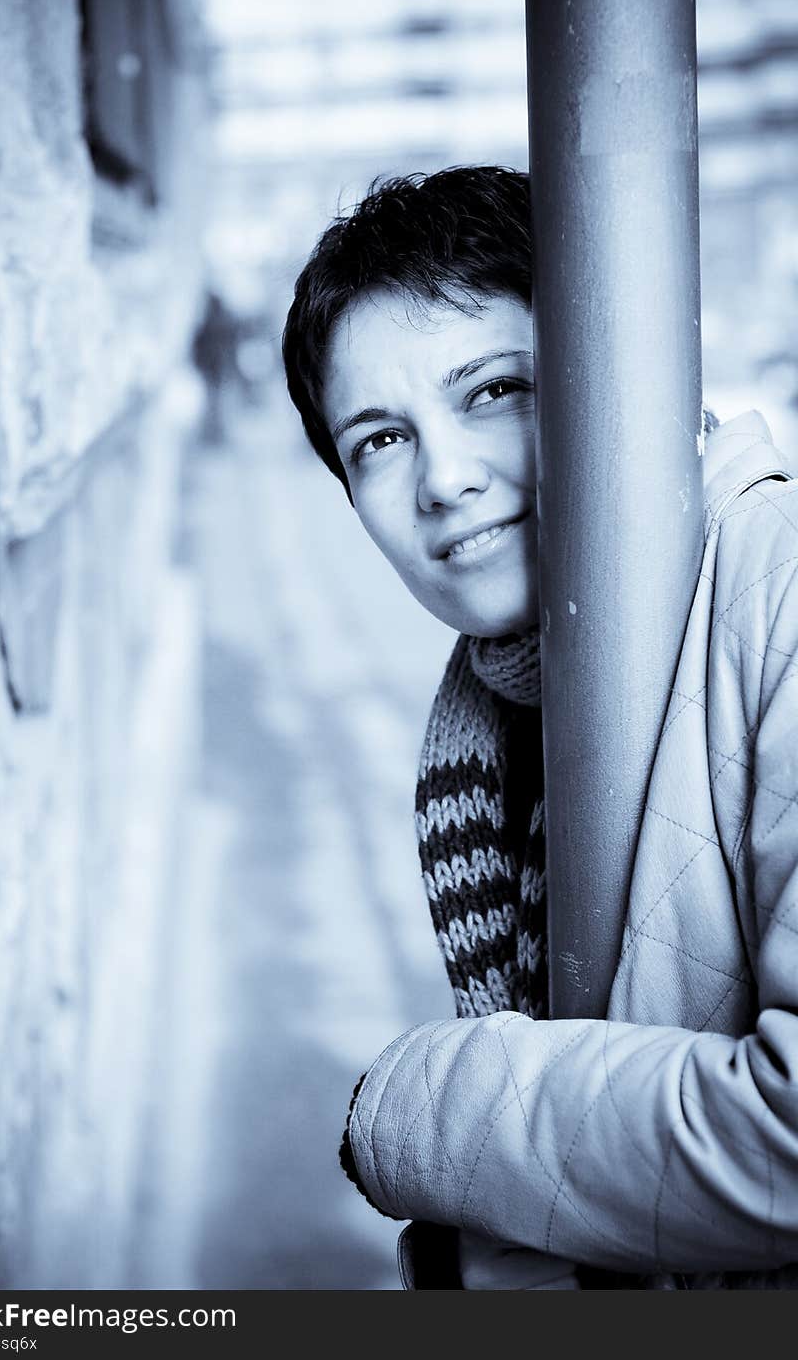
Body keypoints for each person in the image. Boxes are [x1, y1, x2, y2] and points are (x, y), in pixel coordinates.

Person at [282, 166, 798, 1289]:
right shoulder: (495, 714)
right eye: (379, 440)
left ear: (604, 370)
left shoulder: (781, 589)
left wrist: (422, 1117)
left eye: (490, 390)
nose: (444, 481)